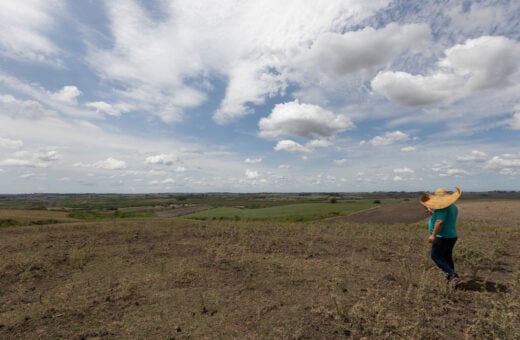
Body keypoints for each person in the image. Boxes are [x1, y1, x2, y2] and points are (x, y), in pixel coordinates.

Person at [420, 187, 461, 281]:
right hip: (451, 236)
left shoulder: (443, 208)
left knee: (435, 256)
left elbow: (440, 222)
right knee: (447, 256)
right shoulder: (452, 206)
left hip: (442, 237)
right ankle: (451, 278)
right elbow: (443, 217)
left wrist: (433, 235)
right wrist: (433, 212)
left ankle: (452, 275)